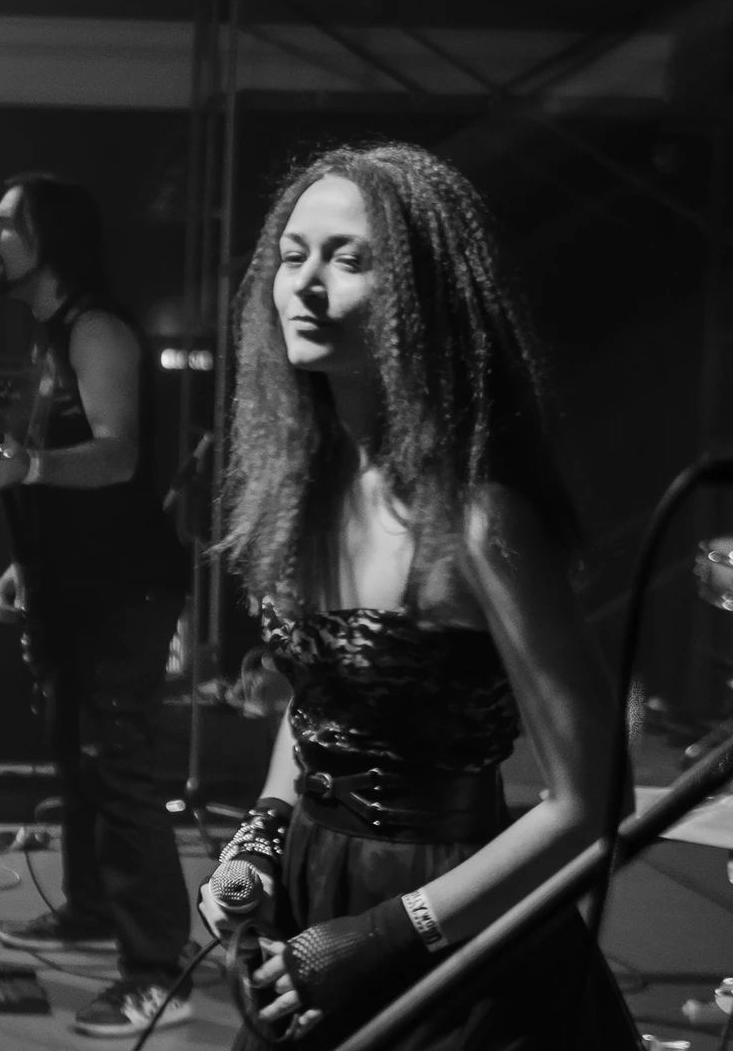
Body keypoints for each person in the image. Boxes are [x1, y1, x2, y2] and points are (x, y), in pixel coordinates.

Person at [196, 141, 642, 1049]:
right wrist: (261, 838)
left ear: (422, 297)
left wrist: (388, 935)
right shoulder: (307, 489)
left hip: (447, 912)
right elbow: (319, 702)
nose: (304, 284)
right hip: (314, 887)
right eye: (292, 255)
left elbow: (594, 802)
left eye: (348, 259)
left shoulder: (482, 517)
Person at [0, 173, 194, 1038]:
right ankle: (93, 909)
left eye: (4, 222)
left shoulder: (97, 329)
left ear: (48, 241)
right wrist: (23, 560)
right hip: (68, 583)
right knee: (76, 757)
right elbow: (55, 476)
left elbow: (118, 456)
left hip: (123, 589)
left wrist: (27, 468)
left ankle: (157, 973)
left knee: (119, 768)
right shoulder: (49, 336)